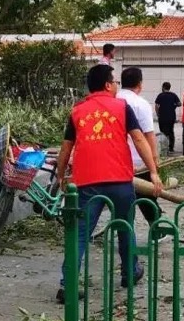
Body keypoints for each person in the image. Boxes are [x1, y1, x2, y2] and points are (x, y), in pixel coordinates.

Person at [54, 64, 163, 304]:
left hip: (87, 183)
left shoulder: (77, 111)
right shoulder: (122, 107)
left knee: (79, 234)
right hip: (120, 181)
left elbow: (65, 148)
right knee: (125, 226)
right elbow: (139, 139)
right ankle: (130, 272)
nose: (116, 86)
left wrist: (60, 176)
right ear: (106, 85)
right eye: (114, 82)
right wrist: (154, 172)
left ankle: (68, 284)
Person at [117, 67, 161, 226]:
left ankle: (122, 228)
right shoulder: (141, 104)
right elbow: (148, 135)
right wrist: (154, 160)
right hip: (138, 160)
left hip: (117, 160)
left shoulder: (113, 100)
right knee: (148, 198)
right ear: (140, 84)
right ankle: (156, 228)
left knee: (120, 199)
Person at [154, 81, 181, 154]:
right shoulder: (173, 95)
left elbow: (156, 106)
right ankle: (171, 148)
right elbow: (179, 104)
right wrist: (173, 105)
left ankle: (164, 148)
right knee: (171, 131)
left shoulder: (160, 95)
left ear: (163, 87)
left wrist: (158, 114)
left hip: (162, 117)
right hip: (171, 117)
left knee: (163, 132)